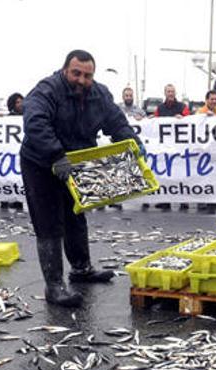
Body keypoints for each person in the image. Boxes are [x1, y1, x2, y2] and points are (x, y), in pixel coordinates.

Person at [21, 49, 146, 307]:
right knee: (49, 223)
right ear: (66, 69)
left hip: (77, 163)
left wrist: (133, 144)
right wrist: (56, 156)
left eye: (87, 75)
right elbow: (35, 123)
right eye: (76, 73)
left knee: (76, 216)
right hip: (42, 163)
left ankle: (81, 270)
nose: (81, 80)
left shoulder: (99, 94)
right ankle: (54, 287)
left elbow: (117, 123)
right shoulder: (47, 90)